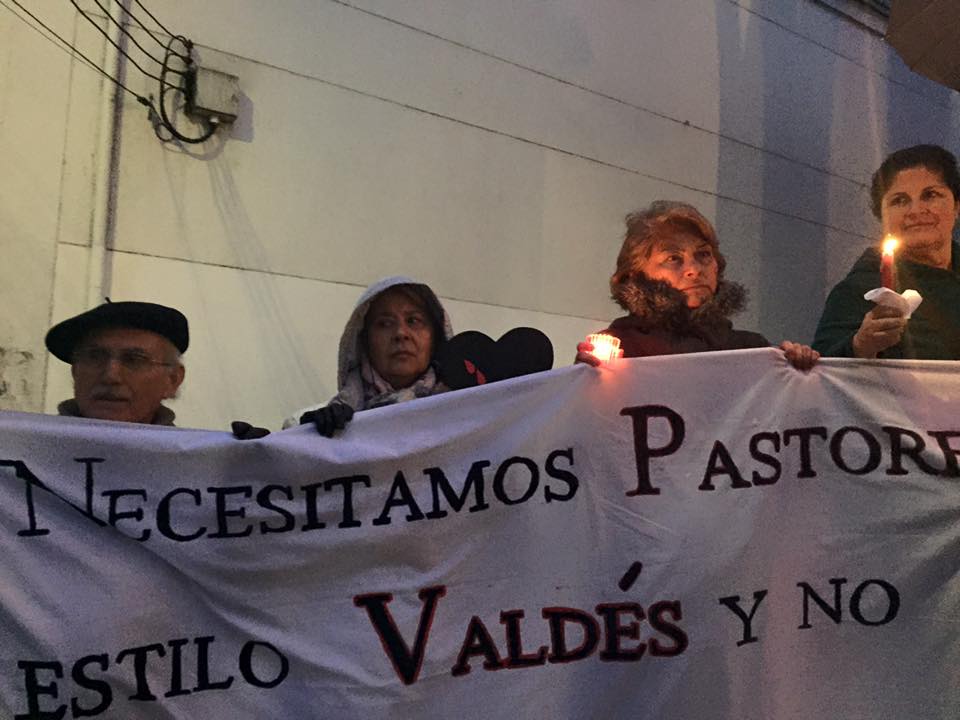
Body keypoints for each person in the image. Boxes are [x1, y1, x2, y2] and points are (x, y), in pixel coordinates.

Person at [577, 200, 818, 369]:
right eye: (673, 259)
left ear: (717, 265)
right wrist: (584, 383)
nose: (693, 269)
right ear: (635, 275)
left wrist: (799, 373)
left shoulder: (752, 351)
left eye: (703, 255)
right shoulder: (617, 351)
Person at [813, 144, 960, 359]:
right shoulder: (857, 292)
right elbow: (822, 374)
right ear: (881, 216)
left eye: (930, 195)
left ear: (956, 206)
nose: (916, 211)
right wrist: (861, 345)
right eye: (899, 200)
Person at [286, 276, 453, 436]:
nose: (401, 333)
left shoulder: (465, 419)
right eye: (384, 323)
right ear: (364, 341)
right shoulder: (305, 426)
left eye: (413, 321)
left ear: (435, 337)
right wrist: (310, 439)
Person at [45, 301, 188, 425]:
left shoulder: (194, 456)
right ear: (75, 371)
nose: (111, 376)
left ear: (173, 380)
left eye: (134, 360)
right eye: (95, 357)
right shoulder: (30, 449)